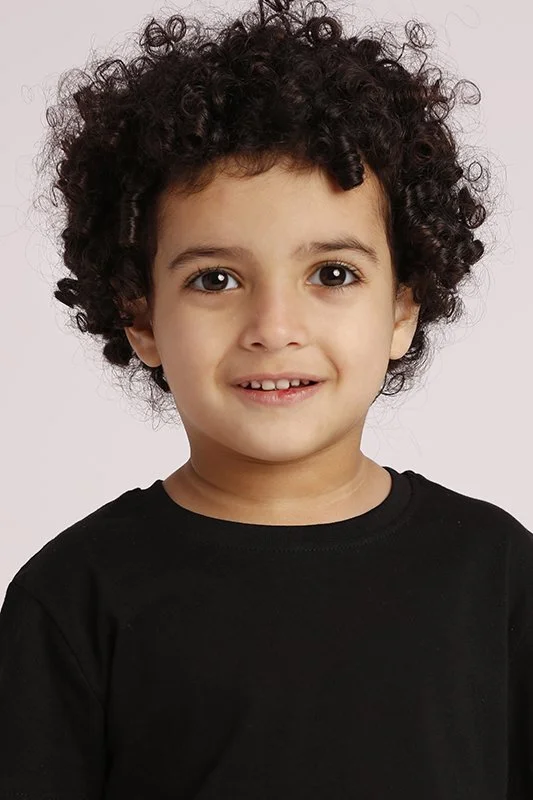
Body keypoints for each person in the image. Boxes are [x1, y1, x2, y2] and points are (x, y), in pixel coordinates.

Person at [1, 0, 531, 796]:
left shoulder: (497, 577)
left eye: (332, 274)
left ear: (401, 308)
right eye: (215, 279)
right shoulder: (73, 598)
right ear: (140, 318)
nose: (273, 327)